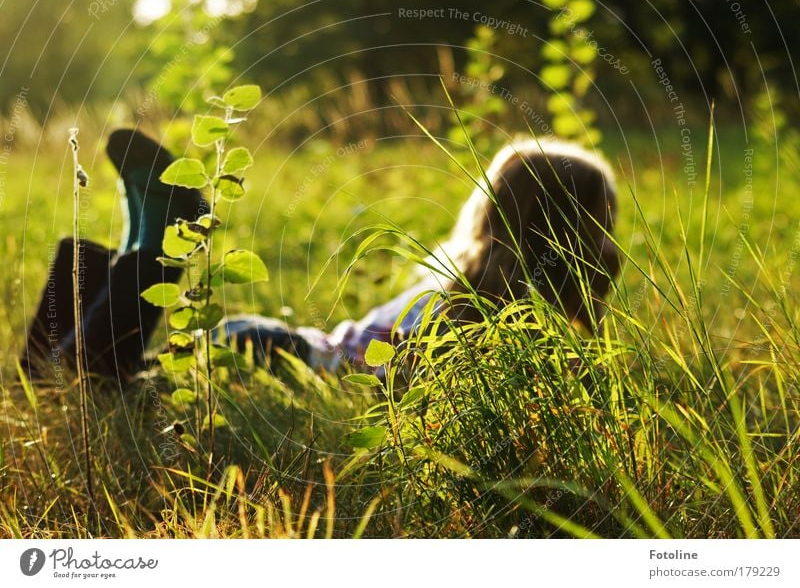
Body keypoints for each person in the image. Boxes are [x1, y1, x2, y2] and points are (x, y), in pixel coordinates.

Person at [22, 130, 618, 385]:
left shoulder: (456, 288)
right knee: (98, 382)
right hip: (285, 357)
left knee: (68, 379)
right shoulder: (483, 318)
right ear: (575, 239)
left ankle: (134, 243)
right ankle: (154, 243)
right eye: (603, 226)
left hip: (273, 343)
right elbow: (402, 379)